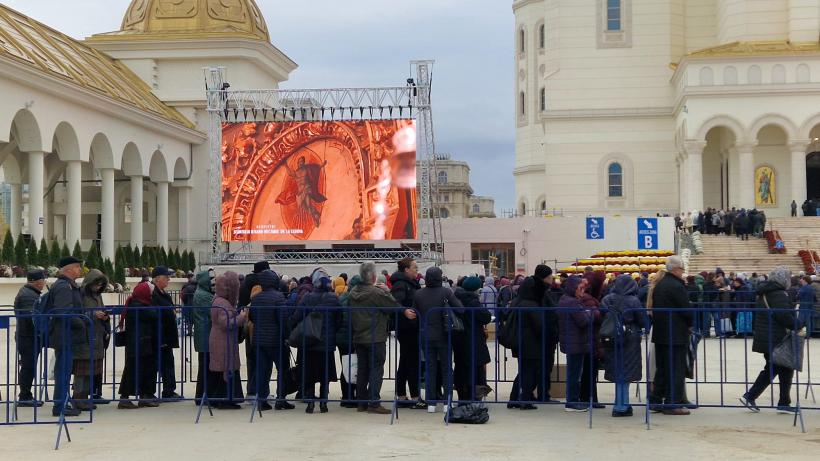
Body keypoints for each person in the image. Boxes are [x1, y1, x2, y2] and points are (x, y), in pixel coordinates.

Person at [740, 266, 804, 413]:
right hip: (776, 337)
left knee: (779, 368)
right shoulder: (779, 294)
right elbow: (783, 315)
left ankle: (782, 402)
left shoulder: (765, 292)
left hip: (767, 336)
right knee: (778, 368)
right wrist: (798, 324)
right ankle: (753, 396)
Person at [347, 262, 401, 414]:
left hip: (359, 336)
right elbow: (392, 306)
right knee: (376, 369)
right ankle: (374, 402)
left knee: (362, 369)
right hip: (375, 336)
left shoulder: (352, 293)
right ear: (373, 276)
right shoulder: (376, 293)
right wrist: (387, 291)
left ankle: (361, 402)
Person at [413, 266, 463, 413]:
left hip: (425, 335)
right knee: (446, 368)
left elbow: (414, 314)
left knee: (430, 369)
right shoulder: (446, 292)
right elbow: (460, 308)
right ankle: (448, 402)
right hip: (443, 334)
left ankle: (431, 403)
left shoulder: (418, 294)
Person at [291, 268, 342, 413]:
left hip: (309, 341)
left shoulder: (307, 297)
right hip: (326, 343)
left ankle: (310, 402)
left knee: (310, 373)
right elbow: (340, 319)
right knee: (325, 373)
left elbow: (297, 316)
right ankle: (324, 402)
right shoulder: (333, 298)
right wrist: (332, 332)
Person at [602, 274, 651, 417]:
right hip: (629, 338)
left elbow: (602, 315)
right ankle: (622, 406)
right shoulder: (633, 300)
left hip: (611, 338)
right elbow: (643, 321)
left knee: (617, 372)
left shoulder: (607, 299)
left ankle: (620, 403)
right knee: (626, 372)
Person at [650, 256, 693, 415]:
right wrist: (691, 322)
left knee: (663, 368)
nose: (683, 272)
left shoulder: (661, 283)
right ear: (676, 269)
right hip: (675, 333)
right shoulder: (676, 285)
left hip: (661, 333)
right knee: (675, 368)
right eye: (682, 269)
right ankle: (672, 403)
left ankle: (656, 400)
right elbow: (686, 310)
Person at [248, 269, 294, 411]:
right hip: (276, 340)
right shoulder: (279, 297)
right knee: (283, 369)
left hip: (259, 340)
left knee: (262, 370)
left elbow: (252, 318)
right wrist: (287, 336)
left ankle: (262, 400)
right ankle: (281, 399)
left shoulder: (256, 298)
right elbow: (283, 320)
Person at [47, 256, 86, 417]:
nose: (80, 270)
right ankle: (60, 406)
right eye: (77, 267)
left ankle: (63, 402)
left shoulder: (68, 285)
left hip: (67, 335)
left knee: (64, 370)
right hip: (64, 335)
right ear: (69, 269)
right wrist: (82, 322)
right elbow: (63, 312)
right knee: (62, 371)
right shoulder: (64, 287)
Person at [390, 258, 425, 409]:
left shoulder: (410, 283)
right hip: (406, 327)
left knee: (406, 360)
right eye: (414, 268)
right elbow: (394, 302)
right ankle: (414, 395)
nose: (417, 270)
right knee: (411, 361)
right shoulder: (400, 284)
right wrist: (403, 311)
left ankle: (403, 395)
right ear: (406, 270)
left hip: (411, 326)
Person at [118, 281, 160, 410]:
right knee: (133, 370)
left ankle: (144, 396)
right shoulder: (139, 306)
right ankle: (126, 398)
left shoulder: (138, 303)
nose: (152, 295)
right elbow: (155, 315)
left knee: (143, 370)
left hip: (141, 342)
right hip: (139, 343)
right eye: (151, 293)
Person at [72, 269, 110, 411]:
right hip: (84, 337)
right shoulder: (80, 294)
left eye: (101, 284)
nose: (98, 287)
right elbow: (77, 313)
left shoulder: (97, 295)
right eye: (96, 284)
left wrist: (105, 316)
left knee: (91, 371)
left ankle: (85, 398)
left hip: (97, 335)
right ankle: (77, 398)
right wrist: (93, 314)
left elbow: (101, 310)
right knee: (81, 371)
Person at [209, 271, 247, 409]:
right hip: (223, 340)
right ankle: (224, 399)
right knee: (225, 368)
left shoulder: (217, 299)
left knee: (221, 369)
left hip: (219, 339)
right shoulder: (223, 303)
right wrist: (241, 317)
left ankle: (220, 398)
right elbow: (226, 323)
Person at [558, 275, 596, 412]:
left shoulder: (564, 299)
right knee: (574, 374)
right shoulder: (573, 302)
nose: (582, 291)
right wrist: (591, 312)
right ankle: (572, 401)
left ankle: (572, 400)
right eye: (580, 288)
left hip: (571, 340)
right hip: (576, 342)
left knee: (573, 372)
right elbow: (583, 321)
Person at [452, 276, 492, 404]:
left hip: (459, 339)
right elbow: (485, 317)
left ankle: (463, 396)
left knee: (461, 367)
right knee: (476, 369)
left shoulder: (456, 298)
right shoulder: (473, 301)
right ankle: (473, 397)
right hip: (473, 338)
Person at [13, 269, 47, 407]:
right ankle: (25, 396)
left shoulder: (30, 292)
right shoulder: (28, 295)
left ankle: (26, 395)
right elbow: (31, 318)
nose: (44, 282)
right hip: (28, 336)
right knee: (28, 367)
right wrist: (42, 330)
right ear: (36, 281)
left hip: (28, 336)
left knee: (29, 366)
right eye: (43, 279)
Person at [239, 261, 269, 400]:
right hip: (261, 326)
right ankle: (260, 391)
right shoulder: (262, 285)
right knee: (262, 360)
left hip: (247, 324)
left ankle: (251, 391)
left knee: (251, 358)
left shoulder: (244, 284)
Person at [151, 266, 181, 400]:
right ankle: (151, 391)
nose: (169, 279)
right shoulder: (154, 294)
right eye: (166, 277)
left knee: (168, 363)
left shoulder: (164, 294)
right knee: (158, 364)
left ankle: (169, 389)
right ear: (157, 279)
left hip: (167, 335)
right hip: (159, 335)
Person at [192, 269, 216, 405]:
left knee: (205, 367)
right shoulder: (203, 295)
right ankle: (202, 395)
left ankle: (202, 395)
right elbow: (214, 309)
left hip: (204, 335)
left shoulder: (203, 293)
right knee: (206, 368)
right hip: (205, 336)